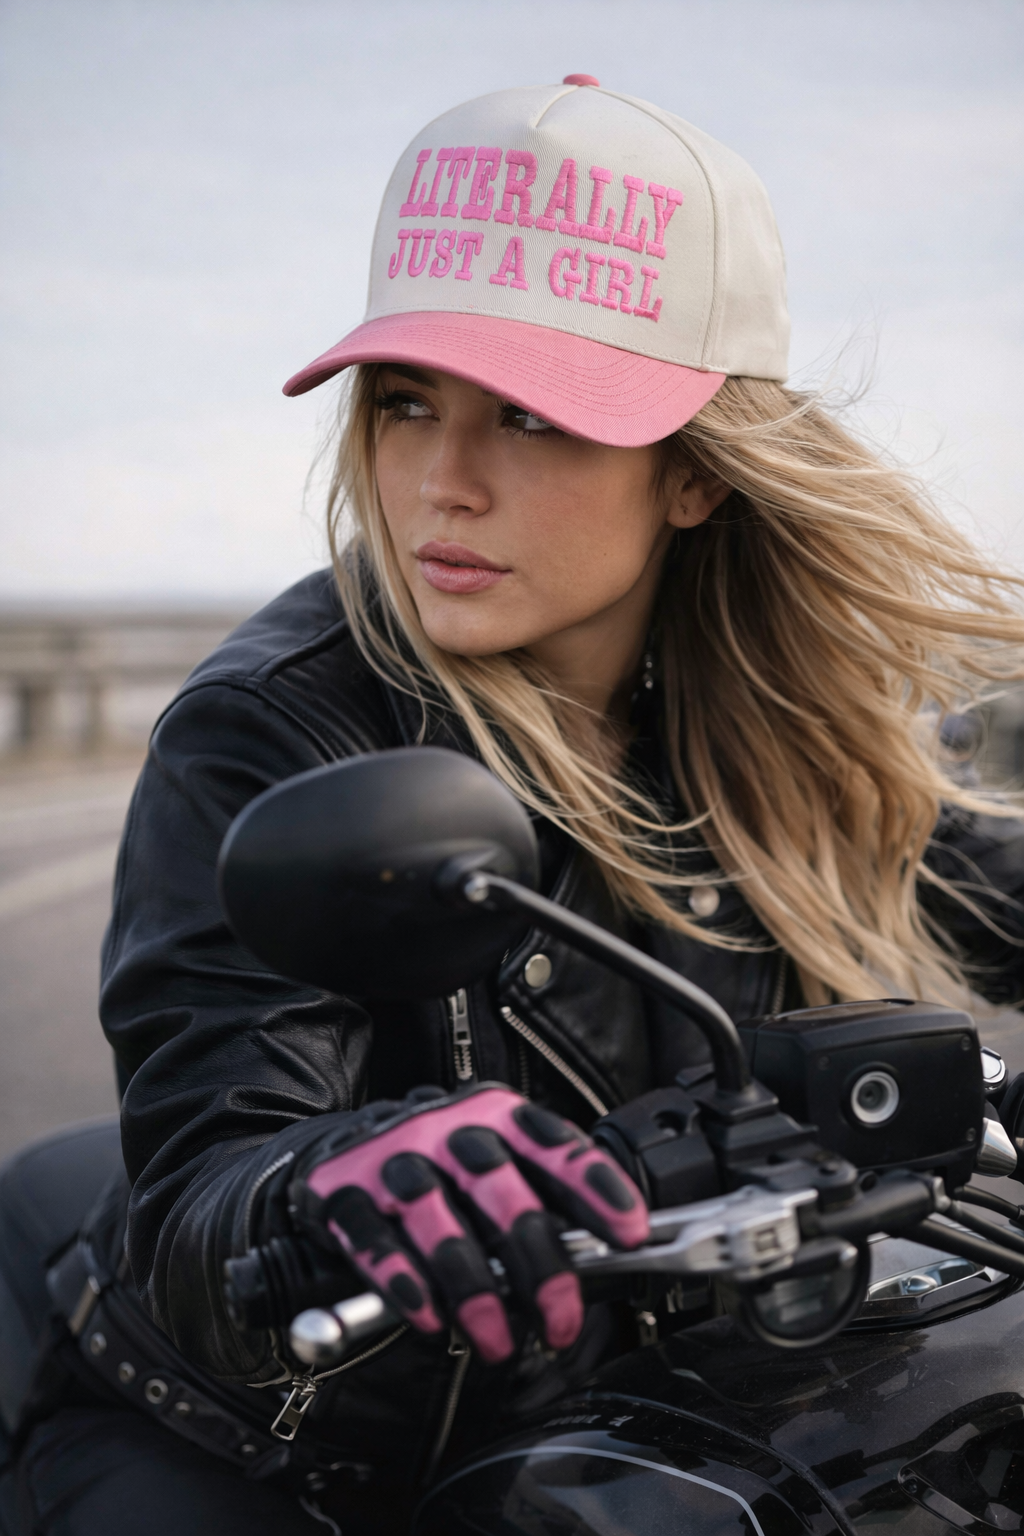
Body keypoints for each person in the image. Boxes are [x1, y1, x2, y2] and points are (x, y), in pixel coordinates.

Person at [10, 76, 1024, 1536]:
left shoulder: (776, 720)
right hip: (278, 1444)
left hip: (683, 1413)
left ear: (693, 472)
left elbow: (971, 870)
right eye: (408, 403)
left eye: (534, 417)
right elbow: (208, 1181)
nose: (441, 482)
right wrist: (337, 1182)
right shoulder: (274, 729)